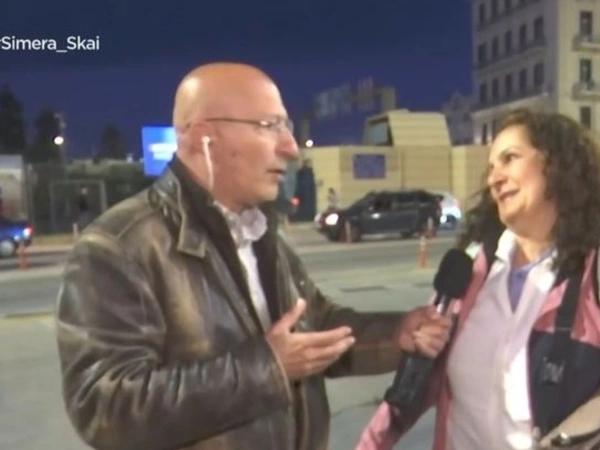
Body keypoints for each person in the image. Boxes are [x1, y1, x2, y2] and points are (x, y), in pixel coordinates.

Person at [54, 62, 452, 450]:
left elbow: (313, 332)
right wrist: (267, 369)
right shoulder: (118, 246)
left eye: (287, 127)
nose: (291, 148)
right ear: (204, 138)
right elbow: (103, 407)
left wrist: (395, 335)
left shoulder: (259, 232)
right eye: (269, 126)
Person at [355, 108, 600, 450]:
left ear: (556, 164)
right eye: (491, 168)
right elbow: (410, 389)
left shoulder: (591, 275)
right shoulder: (471, 272)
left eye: (510, 158)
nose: (494, 178)